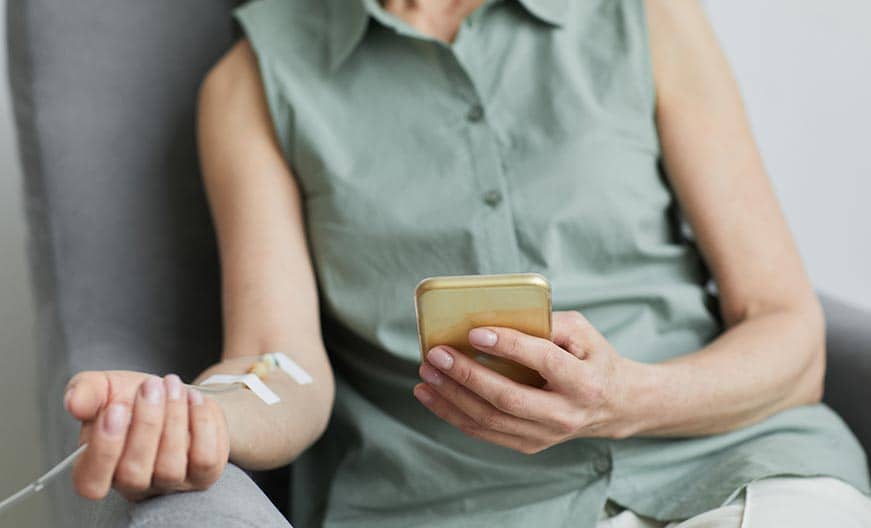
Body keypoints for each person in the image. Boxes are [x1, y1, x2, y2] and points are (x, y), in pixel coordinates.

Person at [62, 0, 871, 526]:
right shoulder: (253, 82)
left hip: (738, 474)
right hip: (450, 507)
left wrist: (627, 398)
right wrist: (200, 413)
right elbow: (278, 365)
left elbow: (786, 331)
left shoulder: (645, 15)